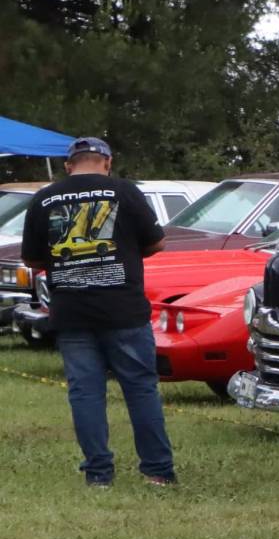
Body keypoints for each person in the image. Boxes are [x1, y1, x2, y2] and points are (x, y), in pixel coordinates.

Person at [20, 138, 177, 488]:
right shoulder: (124, 191)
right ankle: (157, 471)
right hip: (124, 309)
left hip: (72, 310)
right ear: (107, 162)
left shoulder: (44, 198)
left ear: (67, 166)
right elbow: (157, 242)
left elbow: (31, 259)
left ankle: (98, 475)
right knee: (140, 389)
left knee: (85, 393)